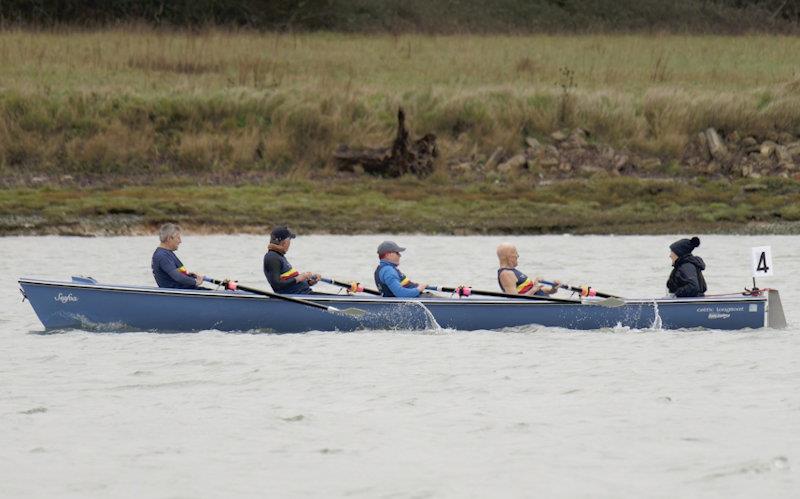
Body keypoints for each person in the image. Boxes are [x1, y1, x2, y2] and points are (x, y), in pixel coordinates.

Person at [263, 226, 320, 295]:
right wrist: (298, 278)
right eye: (289, 240)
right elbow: (277, 285)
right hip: (298, 298)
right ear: (284, 242)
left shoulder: (279, 256)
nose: (290, 243)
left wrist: (309, 282)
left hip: (304, 294)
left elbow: (290, 284)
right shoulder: (272, 257)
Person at [151, 223, 205, 289]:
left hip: (186, 290)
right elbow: (178, 277)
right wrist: (195, 282)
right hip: (180, 293)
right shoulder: (162, 256)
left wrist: (190, 275)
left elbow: (176, 272)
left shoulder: (167, 253)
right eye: (178, 238)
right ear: (169, 238)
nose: (180, 241)